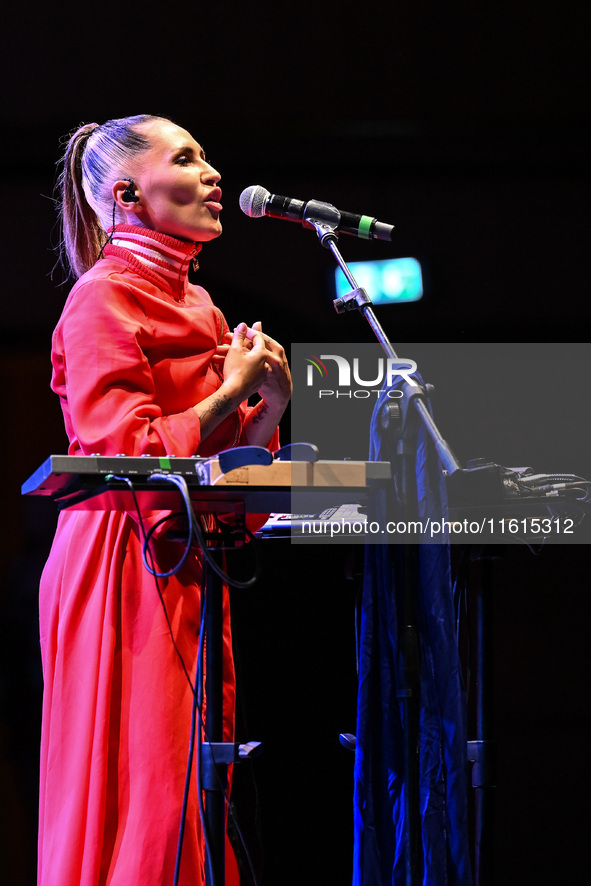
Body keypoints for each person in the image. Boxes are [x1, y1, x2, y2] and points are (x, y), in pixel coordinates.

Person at [38, 114, 291, 886]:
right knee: (147, 778)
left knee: (190, 774)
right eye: (186, 159)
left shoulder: (205, 306)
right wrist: (232, 391)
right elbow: (127, 453)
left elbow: (223, 475)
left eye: (207, 155)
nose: (213, 173)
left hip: (188, 561)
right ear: (127, 193)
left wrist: (269, 407)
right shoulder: (101, 298)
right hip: (121, 562)